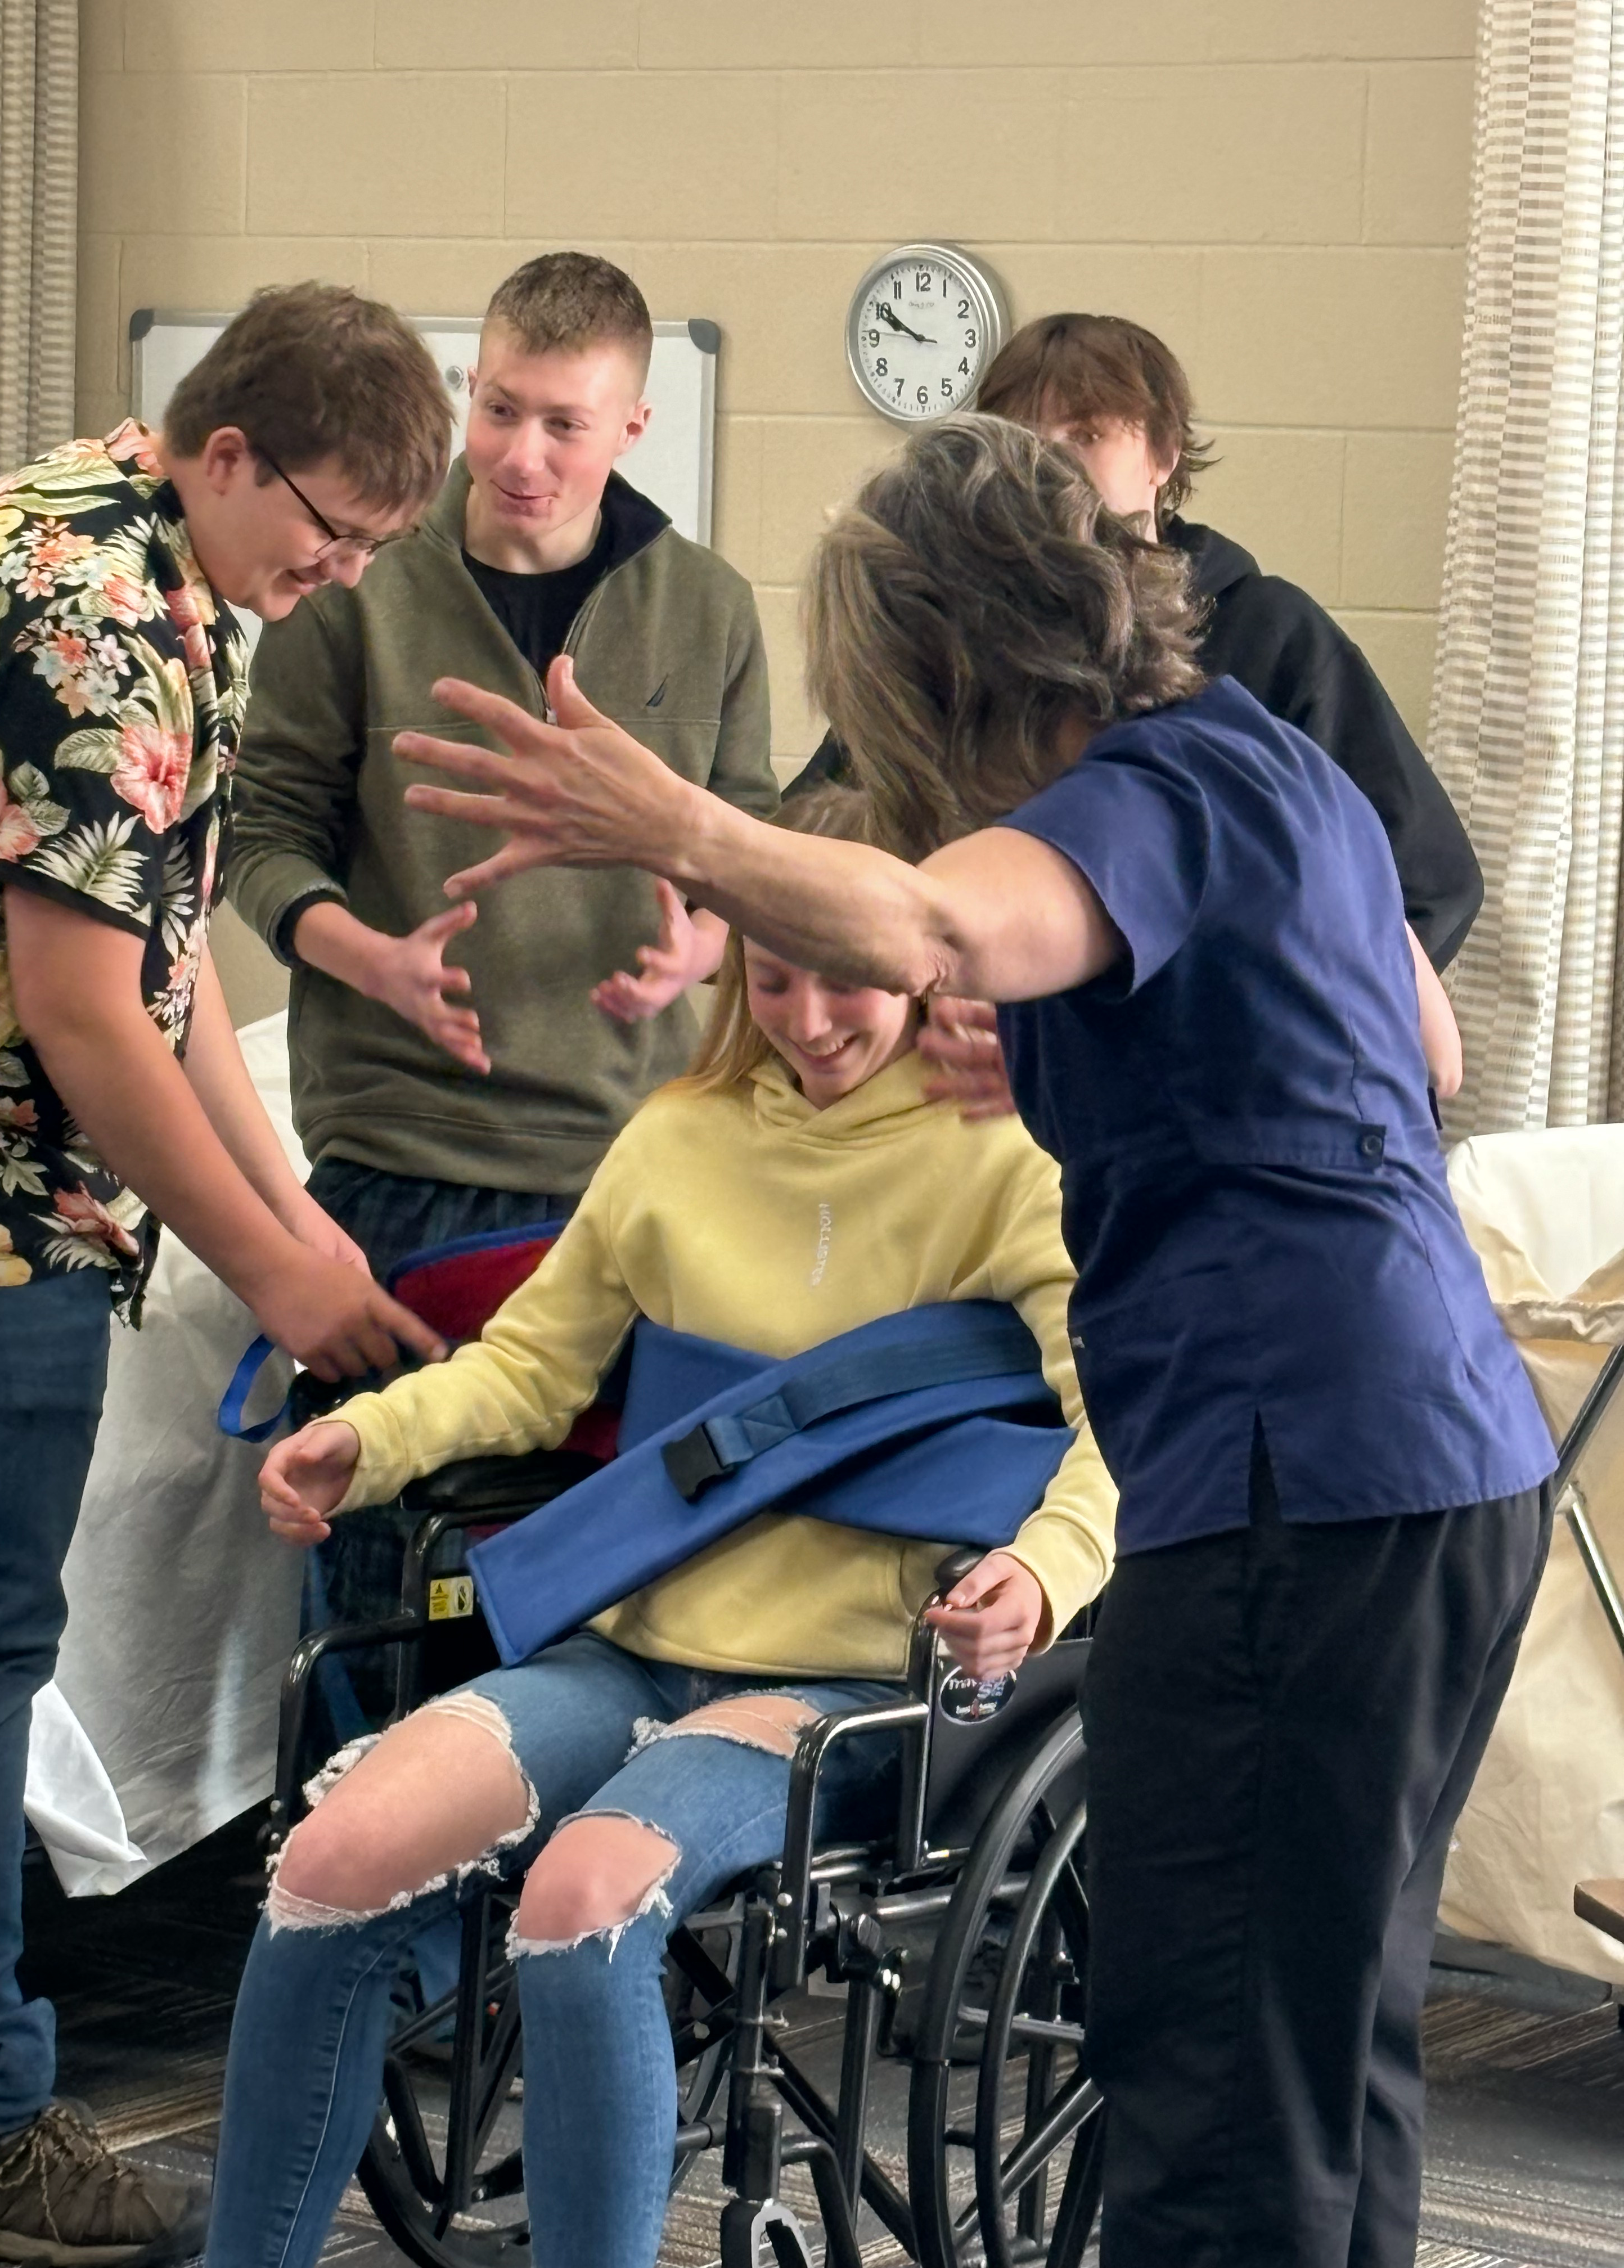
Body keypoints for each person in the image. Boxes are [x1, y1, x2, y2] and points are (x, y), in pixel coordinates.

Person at [393, 415, 1558, 2268]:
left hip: (1291, 1481)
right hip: (1451, 1464)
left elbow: (933, 917)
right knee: (1329, 2051)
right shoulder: (1274, 760)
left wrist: (680, 828)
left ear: (940, 669)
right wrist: (1115, 1039)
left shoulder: (1131, 794)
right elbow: (1413, 1053)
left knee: (1204, 2069)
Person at [202, 787, 1115, 2268]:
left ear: (925, 955)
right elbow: (528, 1370)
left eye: (851, 973)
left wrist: (1045, 1568)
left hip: (848, 1693)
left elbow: (1118, 1433)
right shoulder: (677, 1138)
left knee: (580, 1902)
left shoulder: (1015, 1162)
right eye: (775, 971)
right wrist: (365, 1438)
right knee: (331, 1857)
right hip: (632, 1647)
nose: (812, 1016)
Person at [0, 282, 455, 2267]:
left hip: (2, 1190)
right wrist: (281, 1275)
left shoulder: (148, 566)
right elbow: (77, 1017)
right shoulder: (95, 620)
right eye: (323, 530)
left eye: (373, 555)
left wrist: (296, 1219)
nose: (333, 576)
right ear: (224, 446)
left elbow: (170, 970)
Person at [226, 251, 777, 1700]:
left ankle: (518, 1891)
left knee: (587, 1599)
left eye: (566, 426)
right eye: (503, 411)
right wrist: (369, 958)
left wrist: (708, 942)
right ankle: (358, 1886)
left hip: (627, 1172)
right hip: (403, 1160)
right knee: (378, 1589)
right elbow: (260, 836)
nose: (525, 457)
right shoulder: (355, 585)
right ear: (473, 393)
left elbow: (757, 843)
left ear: (632, 430)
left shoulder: (708, 607)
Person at [792, 309, 1484, 975]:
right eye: (1027, 439)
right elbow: (824, 823)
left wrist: (1305, 1019)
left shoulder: (1272, 634)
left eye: (1087, 434)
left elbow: (1430, 881)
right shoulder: (957, 633)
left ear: (1163, 454)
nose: (1050, 465)